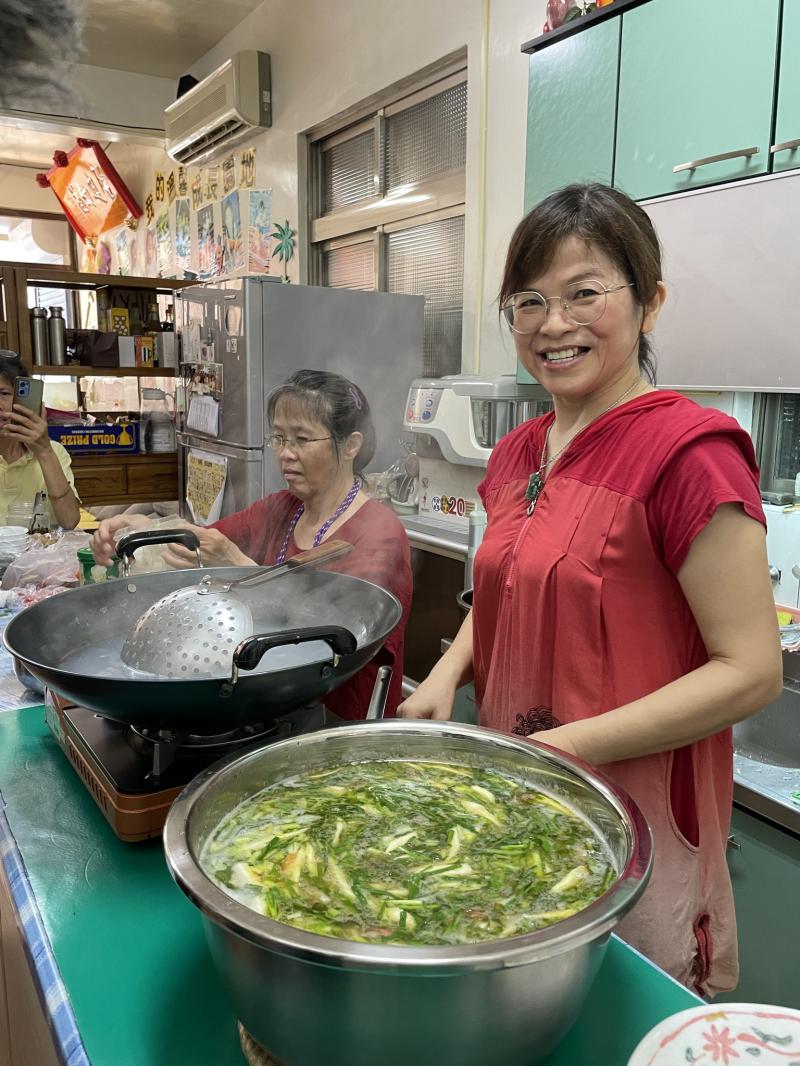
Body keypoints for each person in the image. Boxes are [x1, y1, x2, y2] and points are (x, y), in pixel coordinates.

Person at [399, 183, 782, 996]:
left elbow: (750, 670)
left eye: (585, 293)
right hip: (518, 787)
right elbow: (507, 590)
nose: (553, 324)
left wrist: (564, 750)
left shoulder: (691, 455)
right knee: (519, 997)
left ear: (649, 304)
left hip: (634, 812)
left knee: (614, 1002)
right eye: (530, 300)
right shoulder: (517, 451)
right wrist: (444, 675)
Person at [92, 370, 412, 718]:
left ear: (350, 445)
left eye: (302, 439)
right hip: (274, 706)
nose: (285, 454)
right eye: (278, 437)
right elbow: (199, 544)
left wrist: (239, 562)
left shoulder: (379, 533)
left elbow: (349, 634)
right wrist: (144, 532)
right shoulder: (281, 508)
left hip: (339, 719)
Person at [0, 351, 80, 529]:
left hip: (41, 554)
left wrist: (44, 452)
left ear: (23, 399)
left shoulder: (54, 451)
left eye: (3, 393)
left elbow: (70, 521)